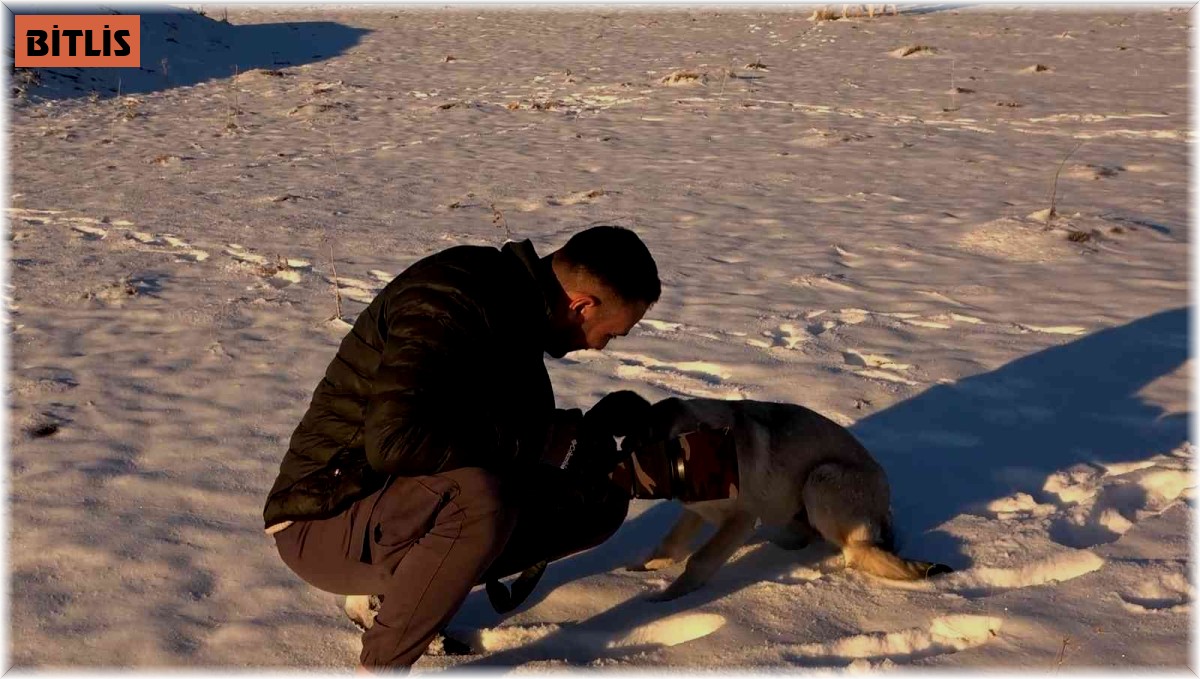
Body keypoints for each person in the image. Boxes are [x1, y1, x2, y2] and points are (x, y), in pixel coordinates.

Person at [262, 226, 661, 669]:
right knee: (477, 499)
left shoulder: (517, 317)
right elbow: (395, 441)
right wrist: (539, 440)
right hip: (323, 515)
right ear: (582, 305)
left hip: (391, 506)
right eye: (613, 334)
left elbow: (491, 429)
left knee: (595, 498)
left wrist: (597, 448)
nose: (602, 346)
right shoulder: (452, 296)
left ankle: (395, 594)